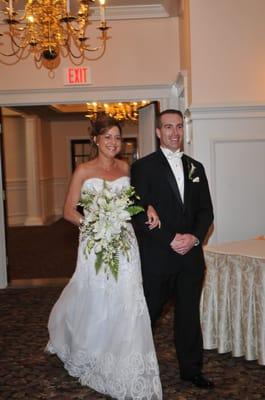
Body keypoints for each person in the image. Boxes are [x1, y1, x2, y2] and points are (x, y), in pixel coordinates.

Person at [46, 115, 163, 400]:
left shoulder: (126, 167)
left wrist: (149, 207)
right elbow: (69, 211)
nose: (113, 142)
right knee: (97, 296)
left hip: (125, 243)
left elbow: (136, 199)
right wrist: (96, 227)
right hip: (96, 244)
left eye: (117, 137)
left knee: (126, 296)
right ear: (96, 139)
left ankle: (124, 352)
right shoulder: (83, 170)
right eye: (107, 137)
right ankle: (93, 351)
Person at [130, 109, 214, 389]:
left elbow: (206, 212)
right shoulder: (143, 167)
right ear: (158, 132)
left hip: (190, 257)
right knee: (149, 314)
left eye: (178, 126)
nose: (174, 132)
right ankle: (132, 366)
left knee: (189, 316)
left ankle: (191, 370)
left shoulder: (196, 167)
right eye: (168, 127)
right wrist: (169, 239)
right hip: (158, 256)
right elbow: (138, 213)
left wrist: (194, 238)